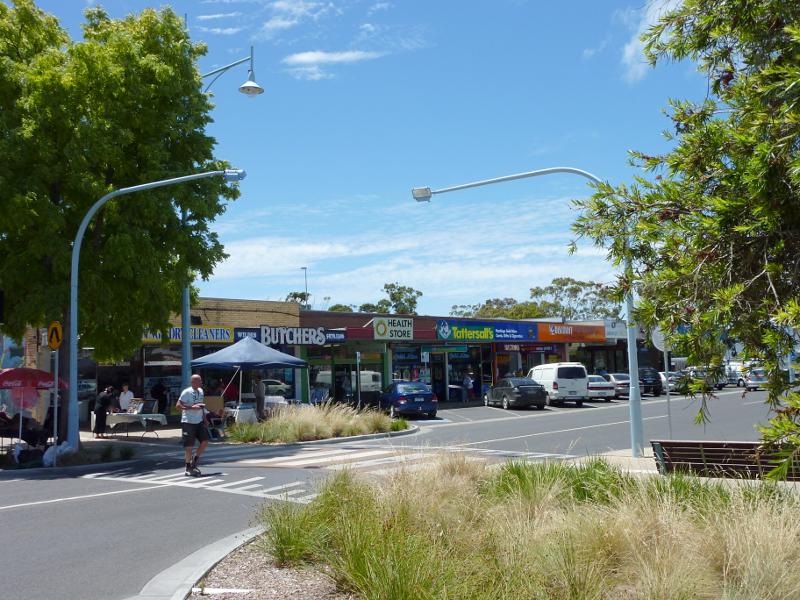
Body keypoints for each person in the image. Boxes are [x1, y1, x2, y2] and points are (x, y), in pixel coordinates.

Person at [177, 374, 209, 477]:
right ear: (192, 382)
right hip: (188, 422)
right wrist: (191, 407)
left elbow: (201, 406)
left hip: (199, 421)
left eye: (200, 380)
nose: (200, 382)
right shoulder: (186, 392)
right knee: (189, 446)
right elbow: (178, 406)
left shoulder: (201, 391)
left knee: (204, 442)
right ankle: (187, 467)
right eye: (198, 381)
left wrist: (205, 419)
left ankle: (194, 461)